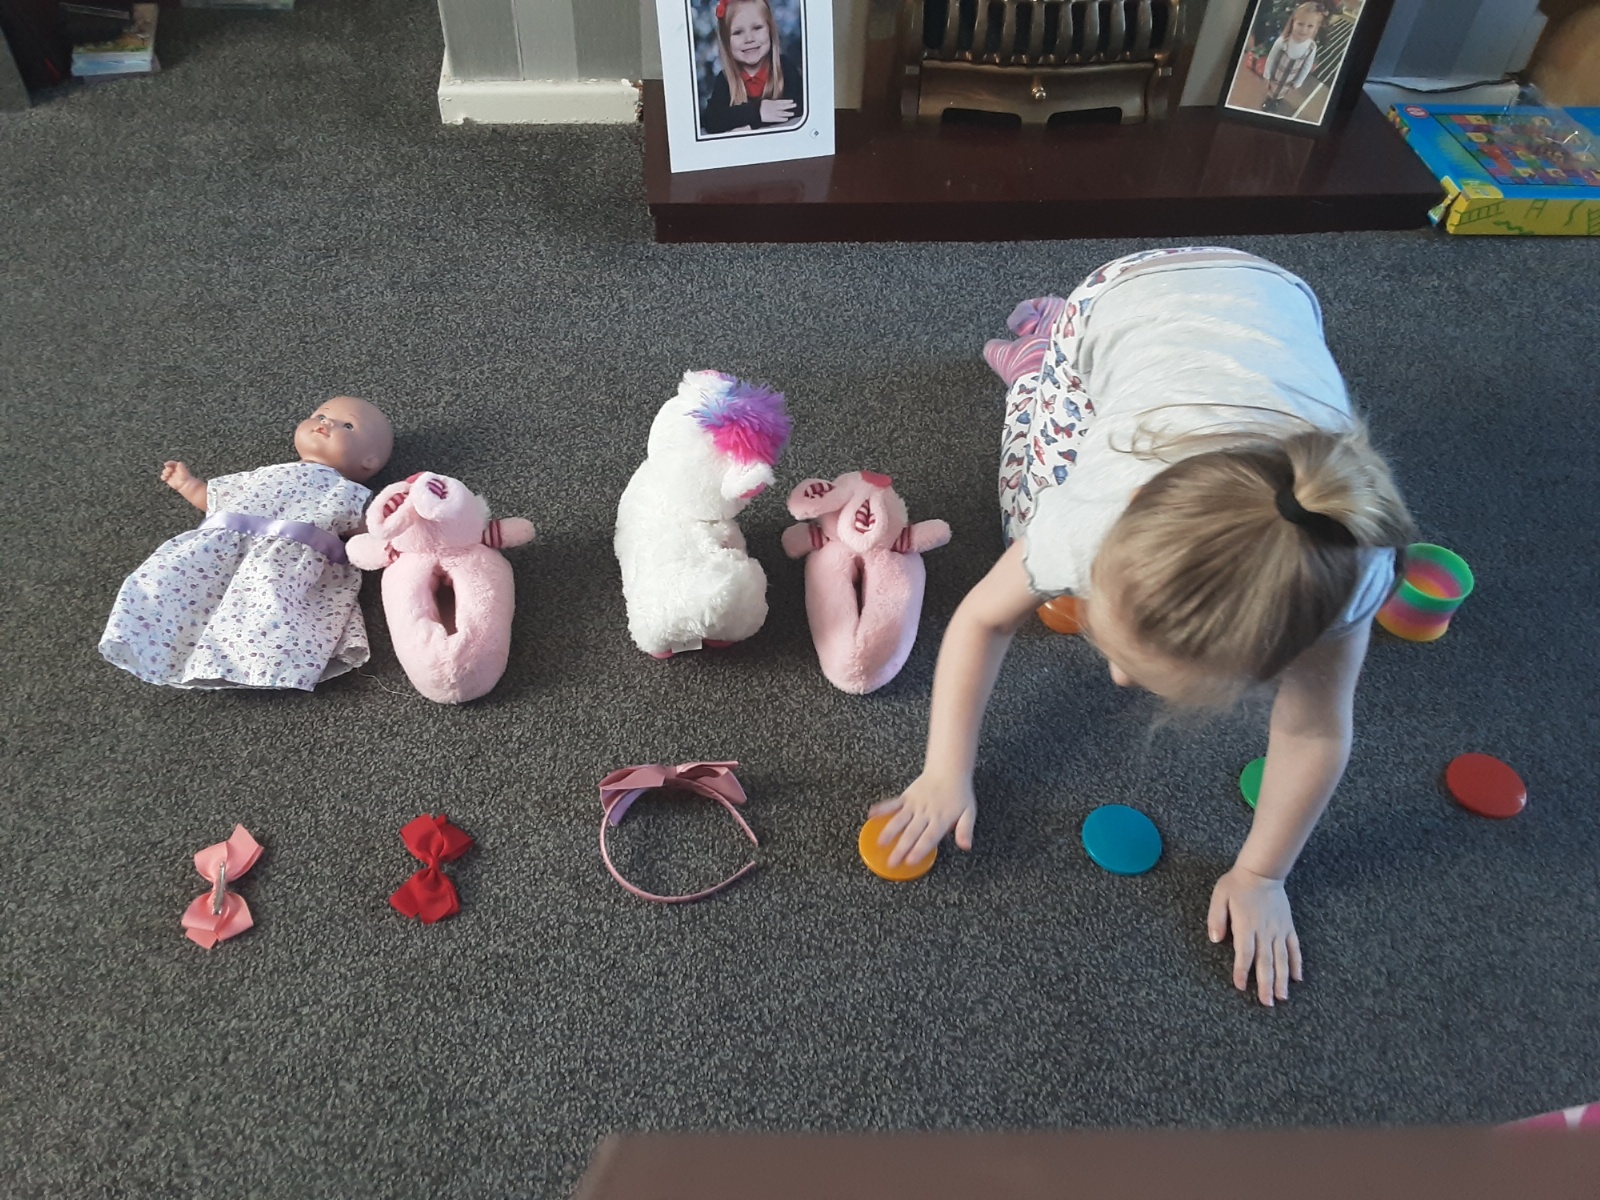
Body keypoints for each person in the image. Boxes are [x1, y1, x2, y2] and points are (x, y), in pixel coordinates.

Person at [870, 247, 1416, 1006]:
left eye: (1129, 664)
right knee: (1024, 505)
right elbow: (980, 621)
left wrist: (1263, 875)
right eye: (1115, 646)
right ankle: (1041, 352)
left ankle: (1042, 363)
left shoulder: (1342, 571)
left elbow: (1316, 732)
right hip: (1121, 299)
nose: (1118, 677)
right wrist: (944, 770)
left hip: (1278, 296)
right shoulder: (1081, 522)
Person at [100, 395, 394, 690]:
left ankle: (255, 664)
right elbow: (220, 502)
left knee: (269, 608)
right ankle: (158, 640)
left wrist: (393, 529)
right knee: (175, 588)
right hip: (218, 551)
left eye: (347, 426)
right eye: (320, 416)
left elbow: (370, 531)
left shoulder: (348, 493)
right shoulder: (262, 474)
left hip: (284, 566)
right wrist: (187, 484)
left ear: (369, 461)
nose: (325, 424)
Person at [701, 0, 803, 134]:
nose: (749, 39)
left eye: (757, 28)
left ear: (770, 31)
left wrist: (752, 125)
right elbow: (711, 120)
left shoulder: (784, 67)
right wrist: (758, 111)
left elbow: (800, 106)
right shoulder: (725, 79)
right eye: (738, 32)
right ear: (726, 42)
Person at [1261, 2, 1326, 113]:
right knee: (1272, 90)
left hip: (1290, 80)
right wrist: (1267, 74)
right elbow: (1271, 58)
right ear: (1293, 23)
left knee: (1282, 93)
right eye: (1300, 24)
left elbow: (1306, 67)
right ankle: (1269, 100)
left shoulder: (1311, 48)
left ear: (1316, 28)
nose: (1304, 30)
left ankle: (1277, 101)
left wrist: (1298, 82)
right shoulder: (1282, 42)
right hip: (1276, 76)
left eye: (1310, 26)